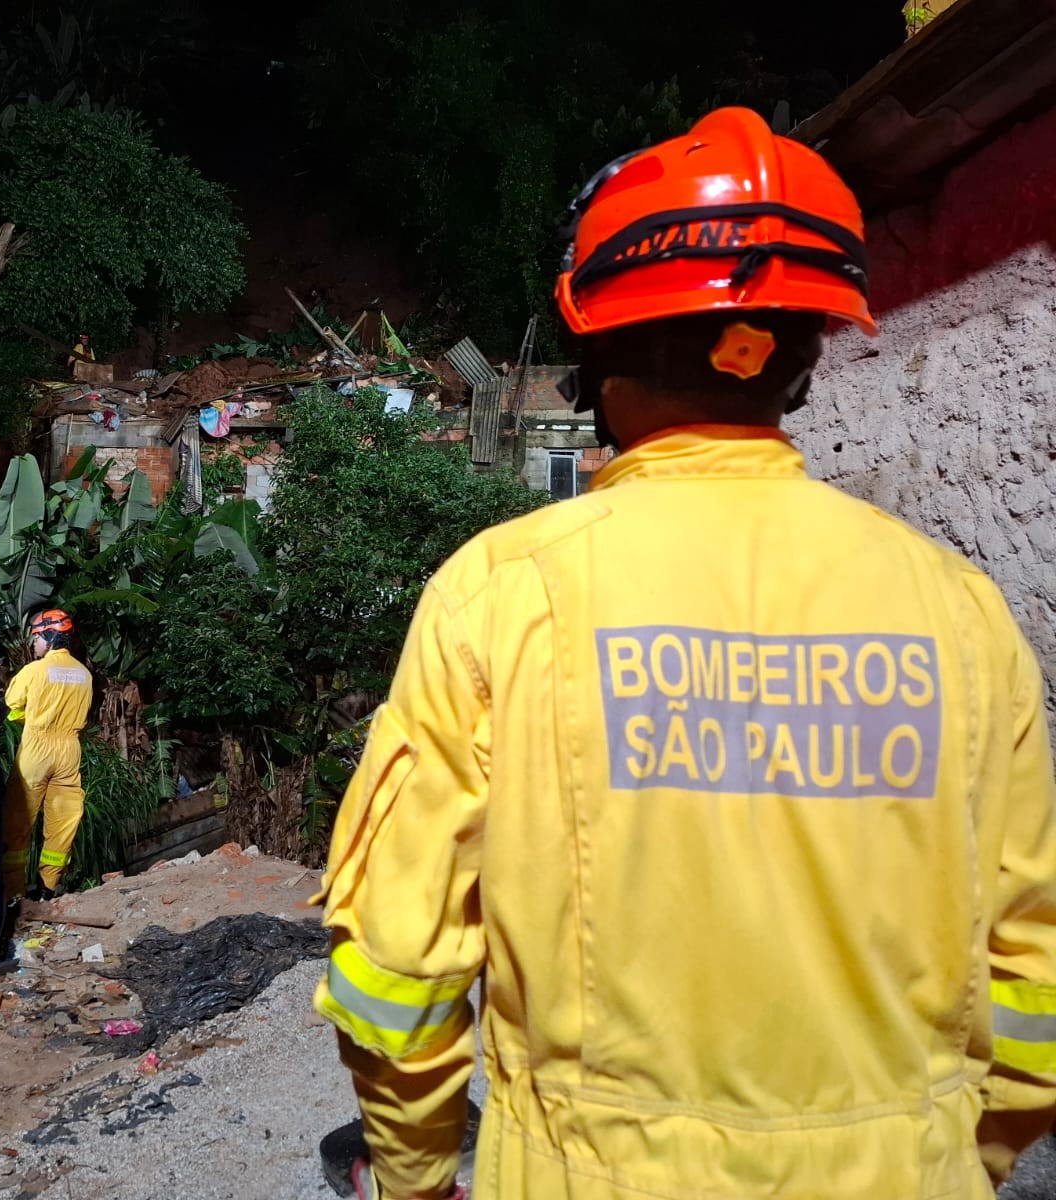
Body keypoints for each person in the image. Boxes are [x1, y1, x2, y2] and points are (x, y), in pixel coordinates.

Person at [313, 106, 1056, 1200]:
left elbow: (403, 967)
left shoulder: (500, 594)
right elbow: (1031, 984)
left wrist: (417, 1180)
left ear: (593, 344)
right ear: (800, 357)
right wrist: (946, 1157)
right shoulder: (960, 611)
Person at [2, 609, 94, 903]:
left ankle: (14, 893)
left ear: (49, 637)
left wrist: (26, 717)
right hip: (69, 749)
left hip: (37, 750)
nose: (33, 644)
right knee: (64, 819)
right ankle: (48, 889)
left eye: (36, 638)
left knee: (19, 820)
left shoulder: (34, 671)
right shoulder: (84, 674)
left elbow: (12, 703)